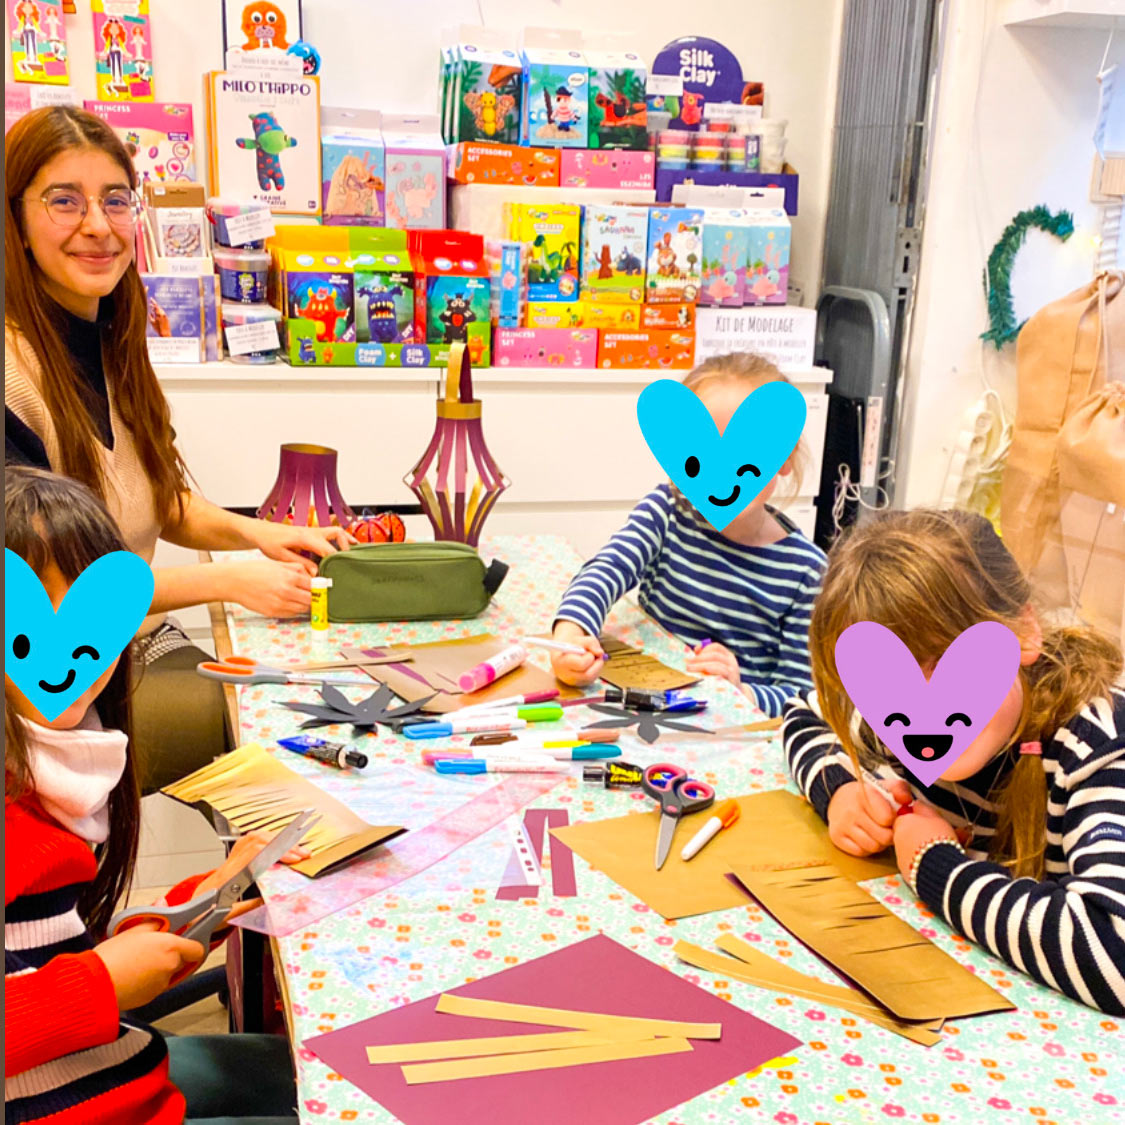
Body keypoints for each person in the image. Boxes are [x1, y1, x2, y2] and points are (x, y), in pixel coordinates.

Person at [4, 105, 353, 791]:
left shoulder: (109, 341)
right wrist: (228, 580)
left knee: (292, 689)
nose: (97, 225)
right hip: (56, 681)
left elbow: (155, 497)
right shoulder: (13, 375)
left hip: (129, 641)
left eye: (114, 200)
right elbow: (55, 601)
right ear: (15, 219)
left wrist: (262, 535)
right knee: (259, 725)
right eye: (64, 201)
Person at [4, 466, 308, 1123]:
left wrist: (199, 902)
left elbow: (41, 956)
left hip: (109, 1067)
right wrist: (102, 983)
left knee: (324, 1067)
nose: (66, 659)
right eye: (27, 634)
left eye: (92, 626)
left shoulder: (58, 763)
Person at [784, 508, 1125, 1015]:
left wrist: (935, 865)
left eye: (948, 662)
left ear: (1024, 632)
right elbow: (805, 714)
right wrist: (840, 790)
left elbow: (1114, 954)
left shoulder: (1097, 744)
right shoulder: (889, 717)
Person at [550, 353, 826, 717]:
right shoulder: (667, 511)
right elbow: (606, 570)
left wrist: (742, 688)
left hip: (731, 730)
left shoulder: (808, 572)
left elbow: (801, 696)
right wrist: (570, 633)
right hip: (644, 707)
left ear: (785, 458)